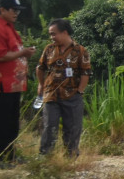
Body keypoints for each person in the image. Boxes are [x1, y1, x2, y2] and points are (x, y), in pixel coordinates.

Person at [0, 0, 35, 166]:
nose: (16, 13)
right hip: (0, 83)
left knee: (12, 121)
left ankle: (9, 155)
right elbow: (0, 56)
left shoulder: (9, 27)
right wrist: (23, 53)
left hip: (12, 82)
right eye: (13, 10)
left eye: (18, 10)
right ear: (2, 9)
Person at [35, 18, 91, 157]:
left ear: (64, 32)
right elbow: (40, 68)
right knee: (50, 125)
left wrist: (80, 90)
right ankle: (45, 156)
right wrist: (41, 85)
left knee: (72, 127)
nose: (52, 37)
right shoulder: (49, 49)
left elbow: (86, 72)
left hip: (72, 94)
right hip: (51, 94)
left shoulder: (80, 51)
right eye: (50, 34)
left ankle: (70, 156)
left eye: (54, 34)